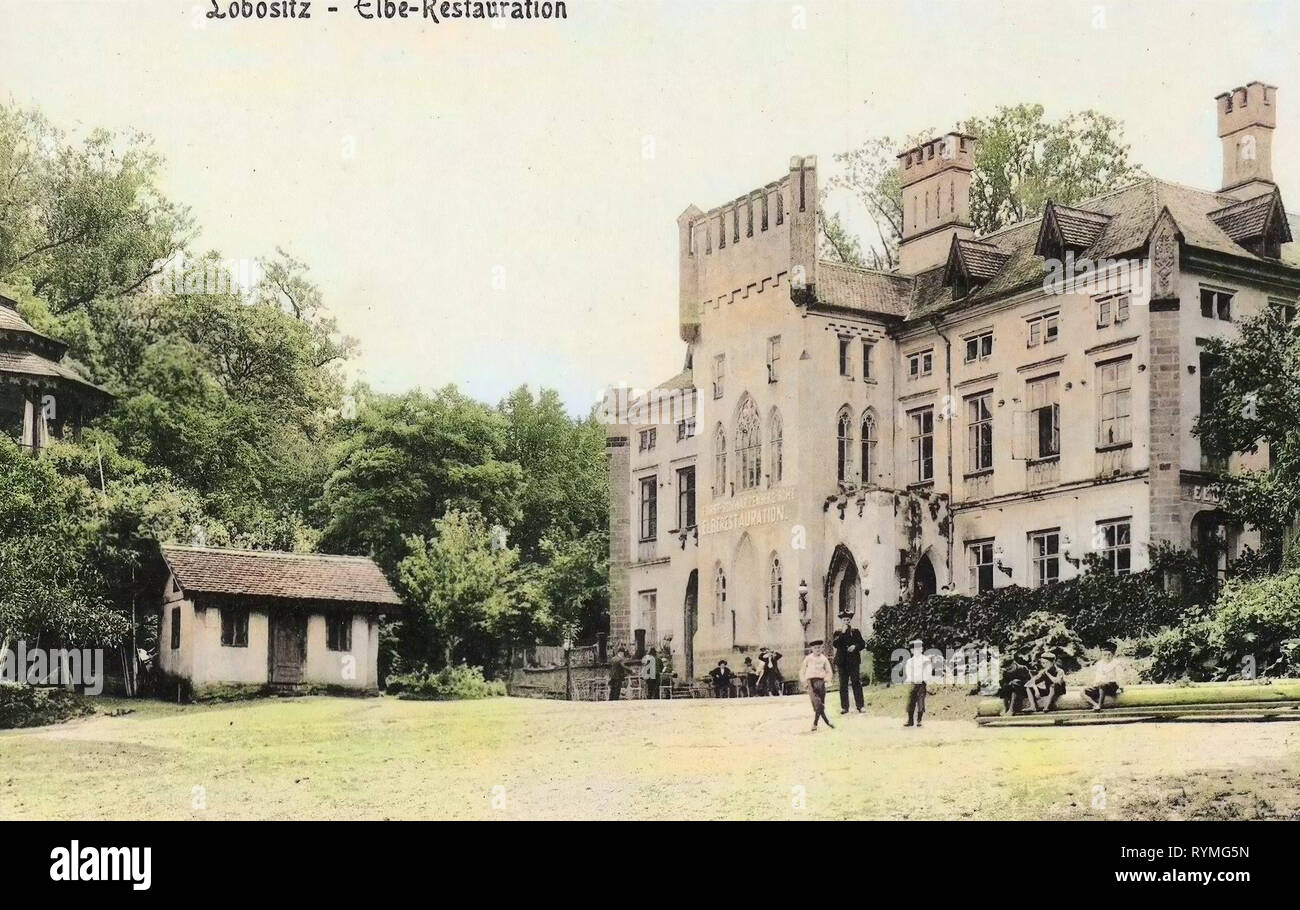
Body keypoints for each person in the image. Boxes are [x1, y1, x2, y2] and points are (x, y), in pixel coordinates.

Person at [832, 620, 867, 714]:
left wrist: (855, 647)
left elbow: (862, 644)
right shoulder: (837, 632)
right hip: (842, 662)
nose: (846, 621)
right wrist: (842, 633)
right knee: (843, 684)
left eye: (848, 619)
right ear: (841, 621)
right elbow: (835, 644)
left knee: (856, 682)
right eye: (844, 620)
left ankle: (860, 706)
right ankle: (844, 707)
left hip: (853, 661)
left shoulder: (855, 631)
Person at [800, 641, 835, 731]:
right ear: (812, 649)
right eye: (815, 648)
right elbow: (802, 671)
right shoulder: (808, 658)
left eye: (819, 647)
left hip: (821, 682)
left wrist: (827, 680)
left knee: (821, 704)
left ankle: (815, 723)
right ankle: (827, 722)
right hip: (811, 682)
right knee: (817, 703)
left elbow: (829, 671)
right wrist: (804, 682)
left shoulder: (824, 659)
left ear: (822, 648)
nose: (817, 649)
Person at [1082, 642, 1124, 711]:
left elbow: (1120, 676)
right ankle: (1095, 704)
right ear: (1102, 655)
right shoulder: (1099, 664)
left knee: (1102, 684)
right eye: (1105, 655)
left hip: (1112, 686)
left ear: (1112, 655)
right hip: (1101, 686)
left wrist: (1121, 688)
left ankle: (1100, 705)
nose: (1107, 657)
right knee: (1083, 692)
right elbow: (1097, 676)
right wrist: (1095, 684)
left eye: (1109, 655)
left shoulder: (1116, 663)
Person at [902, 638, 933, 728]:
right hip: (913, 683)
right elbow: (908, 672)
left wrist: (927, 681)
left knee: (921, 702)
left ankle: (919, 720)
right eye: (914, 649)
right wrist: (910, 679)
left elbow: (928, 671)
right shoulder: (909, 661)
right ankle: (910, 720)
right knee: (910, 702)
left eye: (919, 648)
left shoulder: (925, 660)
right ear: (911, 651)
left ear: (922, 649)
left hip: (922, 684)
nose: (917, 650)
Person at [997, 650, 1033, 716]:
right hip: (1012, 688)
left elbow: (1030, 681)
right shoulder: (1006, 672)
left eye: (1010, 668)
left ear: (1014, 663)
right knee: (1004, 689)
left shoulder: (1023, 668)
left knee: (1015, 689)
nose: (1009, 670)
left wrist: (1019, 681)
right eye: (1007, 669)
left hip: (1024, 689)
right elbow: (1004, 683)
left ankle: (1011, 710)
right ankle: (1006, 708)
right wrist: (1007, 682)